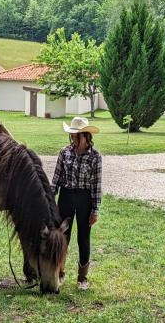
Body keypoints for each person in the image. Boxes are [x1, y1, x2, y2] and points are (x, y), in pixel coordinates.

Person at [52, 116, 102, 290]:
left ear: (86, 136)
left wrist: (95, 209)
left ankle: (82, 278)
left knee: (83, 237)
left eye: (76, 134)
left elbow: (96, 185)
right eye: (72, 134)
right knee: (63, 236)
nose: (73, 137)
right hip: (65, 196)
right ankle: (59, 272)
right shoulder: (64, 152)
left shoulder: (95, 157)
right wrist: (50, 200)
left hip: (84, 199)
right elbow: (56, 179)